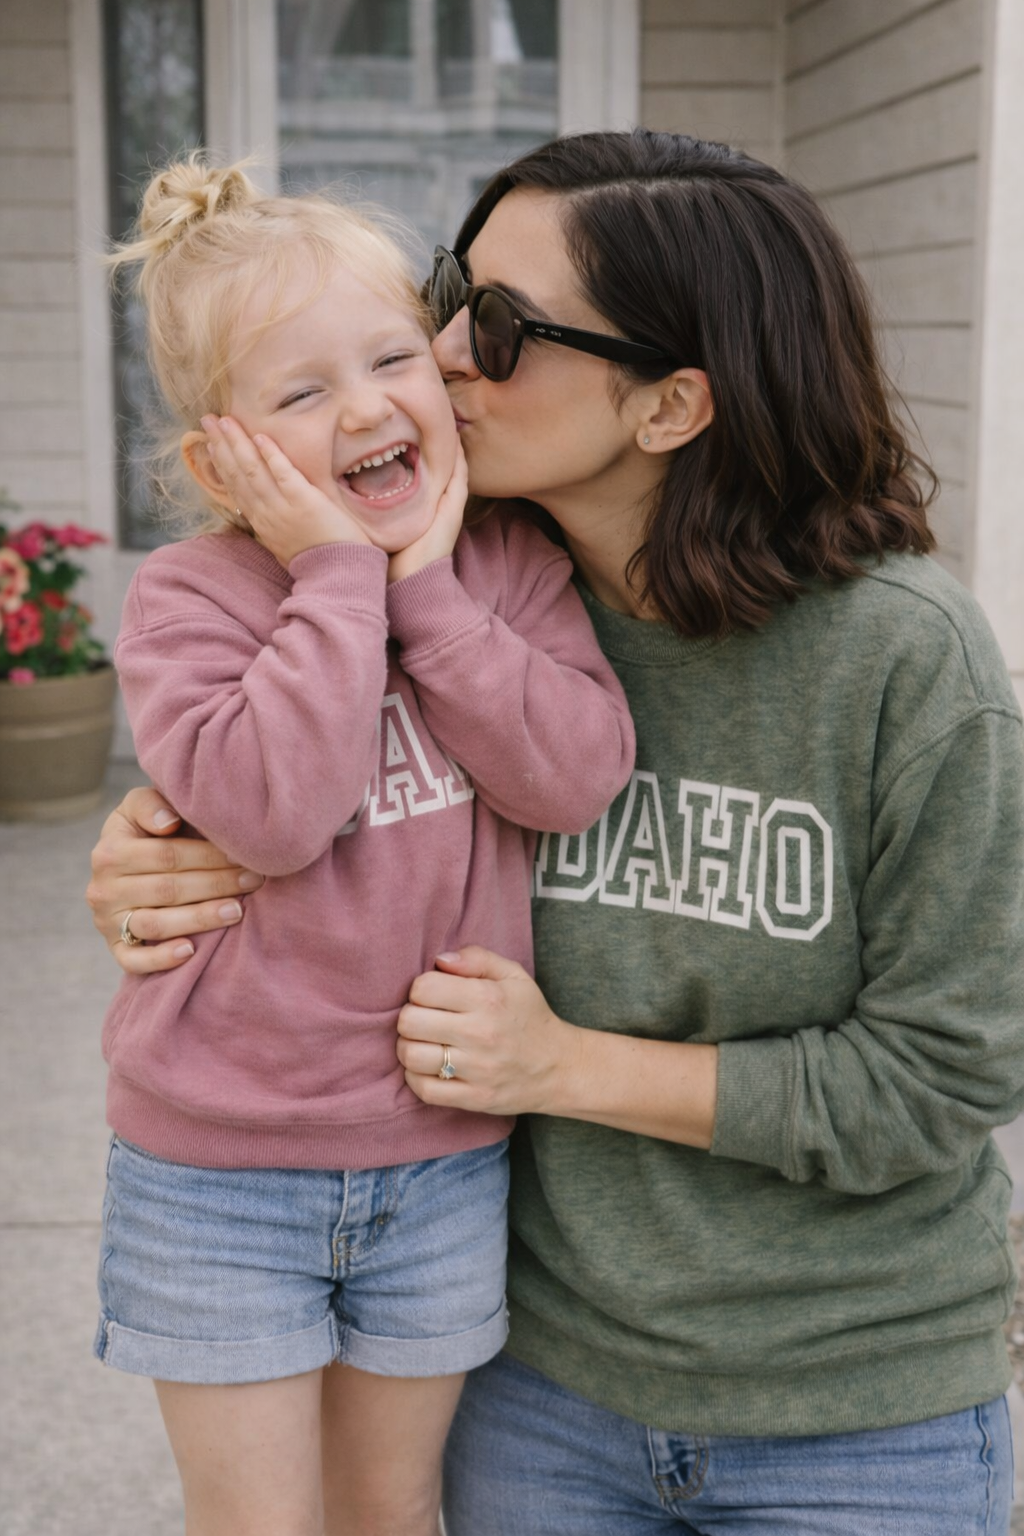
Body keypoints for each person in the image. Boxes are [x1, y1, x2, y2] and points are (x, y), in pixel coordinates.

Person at [87, 131, 1024, 1534]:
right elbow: (284, 798)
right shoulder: (446, 573)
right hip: (542, 1384)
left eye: (505, 326)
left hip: (849, 1404)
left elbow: (949, 1073)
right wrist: (147, 855)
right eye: (454, 291)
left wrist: (567, 1065)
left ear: (668, 408)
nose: (445, 350)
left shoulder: (903, 664)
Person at [90, 155, 635, 1536]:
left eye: (393, 357)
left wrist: (436, 597)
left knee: (391, 1512)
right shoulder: (190, 603)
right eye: (301, 392)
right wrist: (338, 574)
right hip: (219, 1167)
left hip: (441, 1158)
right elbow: (274, 816)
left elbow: (572, 778)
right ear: (222, 452)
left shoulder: (504, 570)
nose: (369, 406)